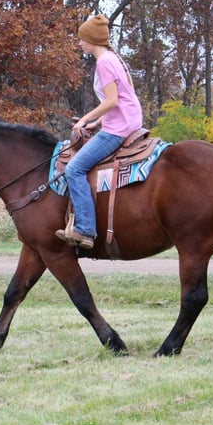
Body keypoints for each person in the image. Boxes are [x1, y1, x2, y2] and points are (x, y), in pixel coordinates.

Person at [56, 14, 143, 249]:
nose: (80, 43)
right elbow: (123, 99)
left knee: (74, 169)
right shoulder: (113, 58)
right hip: (126, 121)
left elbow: (113, 100)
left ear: (93, 39)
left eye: (82, 39)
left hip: (119, 128)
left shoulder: (104, 62)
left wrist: (85, 118)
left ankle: (85, 229)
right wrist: (97, 123)